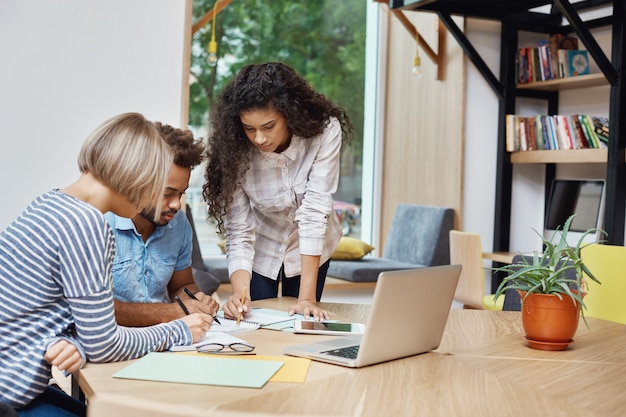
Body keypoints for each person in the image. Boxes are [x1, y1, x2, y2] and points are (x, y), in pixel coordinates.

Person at [0, 112, 213, 415]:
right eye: (157, 186)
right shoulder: (87, 224)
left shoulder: (49, 203)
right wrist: (180, 330)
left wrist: (73, 340)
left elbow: (42, 312)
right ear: (136, 174)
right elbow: (105, 345)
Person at [202, 62, 353, 322]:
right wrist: (239, 295)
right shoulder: (235, 149)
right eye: (250, 129)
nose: (259, 138)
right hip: (262, 244)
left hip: (311, 244)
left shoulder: (325, 131)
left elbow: (315, 213)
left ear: (289, 114)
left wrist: (307, 300)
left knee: (303, 320)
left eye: (268, 126)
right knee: (254, 323)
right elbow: (239, 230)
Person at [105, 123, 219, 326]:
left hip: (169, 339)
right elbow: (98, 310)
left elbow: (182, 285)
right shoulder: (100, 223)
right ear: (138, 180)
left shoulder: (179, 223)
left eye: (181, 193)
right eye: (167, 193)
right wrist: (173, 312)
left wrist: (195, 300)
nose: (176, 204)